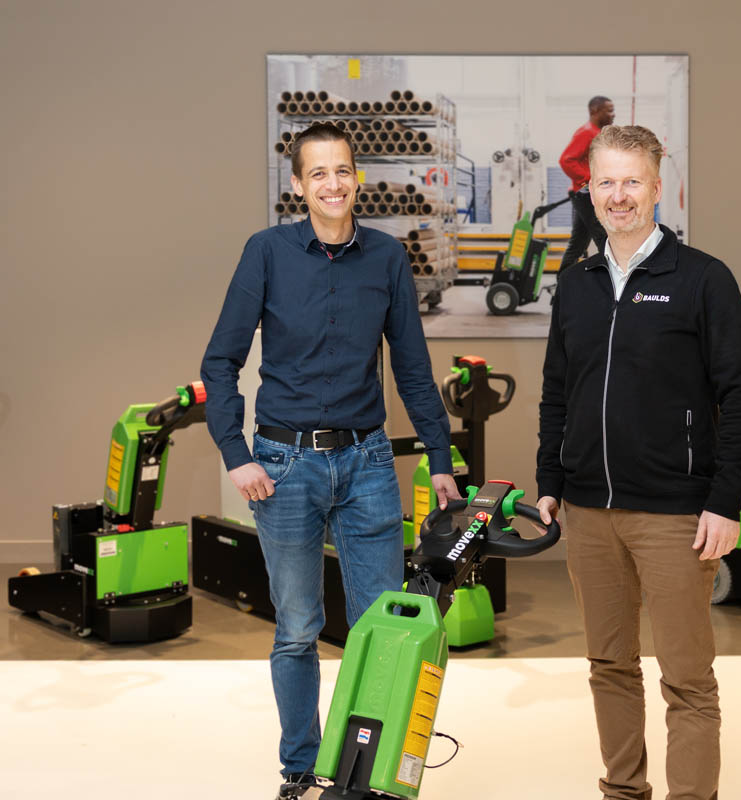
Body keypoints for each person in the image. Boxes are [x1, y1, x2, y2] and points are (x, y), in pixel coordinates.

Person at [200, 122, 461, 799]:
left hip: (367, 462)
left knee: (382, 626)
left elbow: (411, 366)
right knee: (297, 630)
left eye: (342, 170)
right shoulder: (266, 252)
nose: (333, 183)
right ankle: (300, 768)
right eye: (318, 173)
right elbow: (220, 361)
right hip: (283, 467)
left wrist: (439, 455)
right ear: (298, 184)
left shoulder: (387, 258)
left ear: (357, 178)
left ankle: (366, 772)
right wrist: (235, 453)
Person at [536, 125, 741, 800]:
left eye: (632, 181)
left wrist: (725, 500)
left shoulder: (702, 279)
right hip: (589, 512)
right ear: (589, 191)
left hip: (674, 515)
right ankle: (623, 790)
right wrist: (550, 481)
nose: (619, 195)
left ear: (657, 188)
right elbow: (557, 391)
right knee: (609, 666)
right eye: (605, 182)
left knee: (687, 678)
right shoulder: (575, 285)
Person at [558, 95, 615, 271]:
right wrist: (589, 180)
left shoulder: (597, 133)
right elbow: (566, 160)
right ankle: (616, 281)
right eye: (609, 111)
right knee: (604, 237)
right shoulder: (586, 133)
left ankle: (563, 283)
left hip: (586, 194)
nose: (613, 114)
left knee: (578, 243)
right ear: (595, 111)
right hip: (586, 195)